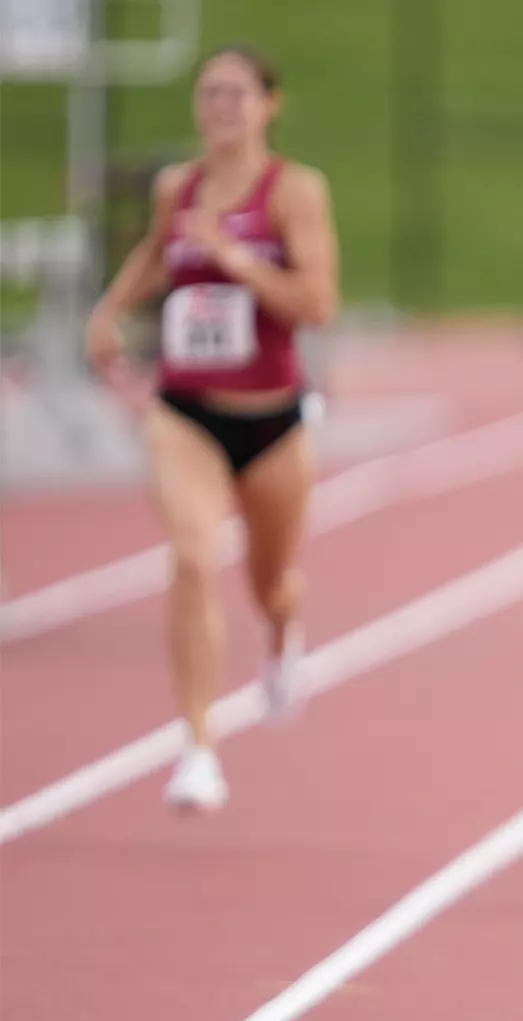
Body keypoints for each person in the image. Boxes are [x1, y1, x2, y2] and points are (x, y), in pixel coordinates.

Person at [84, 45, 339, 813]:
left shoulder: (293, 192)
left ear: (270, 104)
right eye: (208, 94)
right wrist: (110, 308)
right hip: (185, 410)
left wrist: (236, 259)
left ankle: (284, 634)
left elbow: (316, 303)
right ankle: (198, 747)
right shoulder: (179, 188)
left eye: (236, 94)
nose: (220, 107)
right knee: (193, 561)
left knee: (272, 584)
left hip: (272, 420)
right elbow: (159, 253)